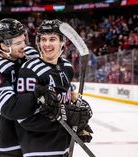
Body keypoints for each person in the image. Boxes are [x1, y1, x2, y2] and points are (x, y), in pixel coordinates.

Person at [15, 19, 93, 157]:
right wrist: (66, 120)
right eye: (43, 39)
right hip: (38, 148)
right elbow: (24, 118)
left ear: (62, 42)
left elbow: (66, 102)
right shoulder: (29, 70)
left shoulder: (67, 67)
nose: (47, 44)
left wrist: (79, 123)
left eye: (52, 39)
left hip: (64, 145)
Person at [0, 18, 39, 157]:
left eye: (24, 41)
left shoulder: (30, 55)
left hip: (34, 139)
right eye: (18, 43)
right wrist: (42, 95)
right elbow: (10, 108)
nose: (24, 46)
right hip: (7, 143)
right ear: (3, 45)